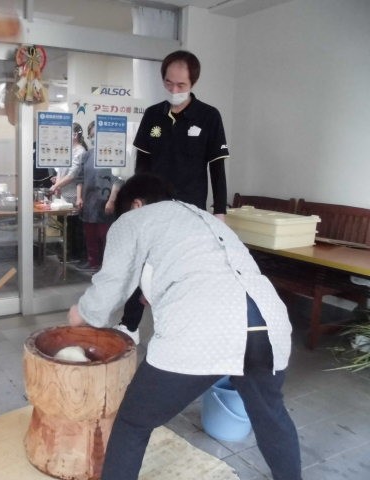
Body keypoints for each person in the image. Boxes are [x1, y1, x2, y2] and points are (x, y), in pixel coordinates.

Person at [68, 173, 301, 480]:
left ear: (135, 204)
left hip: (201, 330)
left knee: (133, 422)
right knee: (270, 417)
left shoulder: (134, 220)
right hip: (268, 323)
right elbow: (202, 270)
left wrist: (82, 313)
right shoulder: (201, 217)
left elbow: (110, 287)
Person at [118, 50, 230, 344]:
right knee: (140, 264)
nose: (174, 89)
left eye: (181, 85)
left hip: (189, 211)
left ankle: (176, 328)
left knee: (181, 269)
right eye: (169, 83)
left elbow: (217, 168)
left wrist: (220, 211)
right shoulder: (153, 115)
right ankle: (129, 325)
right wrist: (136, 201)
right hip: (153, 207)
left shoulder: (209, 116)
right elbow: (142, 165)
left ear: (193, 82)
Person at [74, 121, 122, 272]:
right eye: (92, 135)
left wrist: (112, 200)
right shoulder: (87, 155)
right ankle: (93, 263)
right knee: (90, 236)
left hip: (106, 203)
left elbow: (118, 179)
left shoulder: (114, 153)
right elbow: (80, 179)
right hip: (89, 202)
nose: (94, 138)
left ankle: (106, 266)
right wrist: (79, 198)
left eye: (97, 135)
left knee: (105, 236)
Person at [50, 122, 87, 263]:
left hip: (73, 194)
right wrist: (57, 183)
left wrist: (56, 186)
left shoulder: (80, 151)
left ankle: (73, 255)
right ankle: (66, 252)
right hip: (62, 194)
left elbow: (73, 175)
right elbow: (61, 170)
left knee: (72, 226)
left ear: (75, 135)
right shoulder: (67, 149)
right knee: (63, 225)